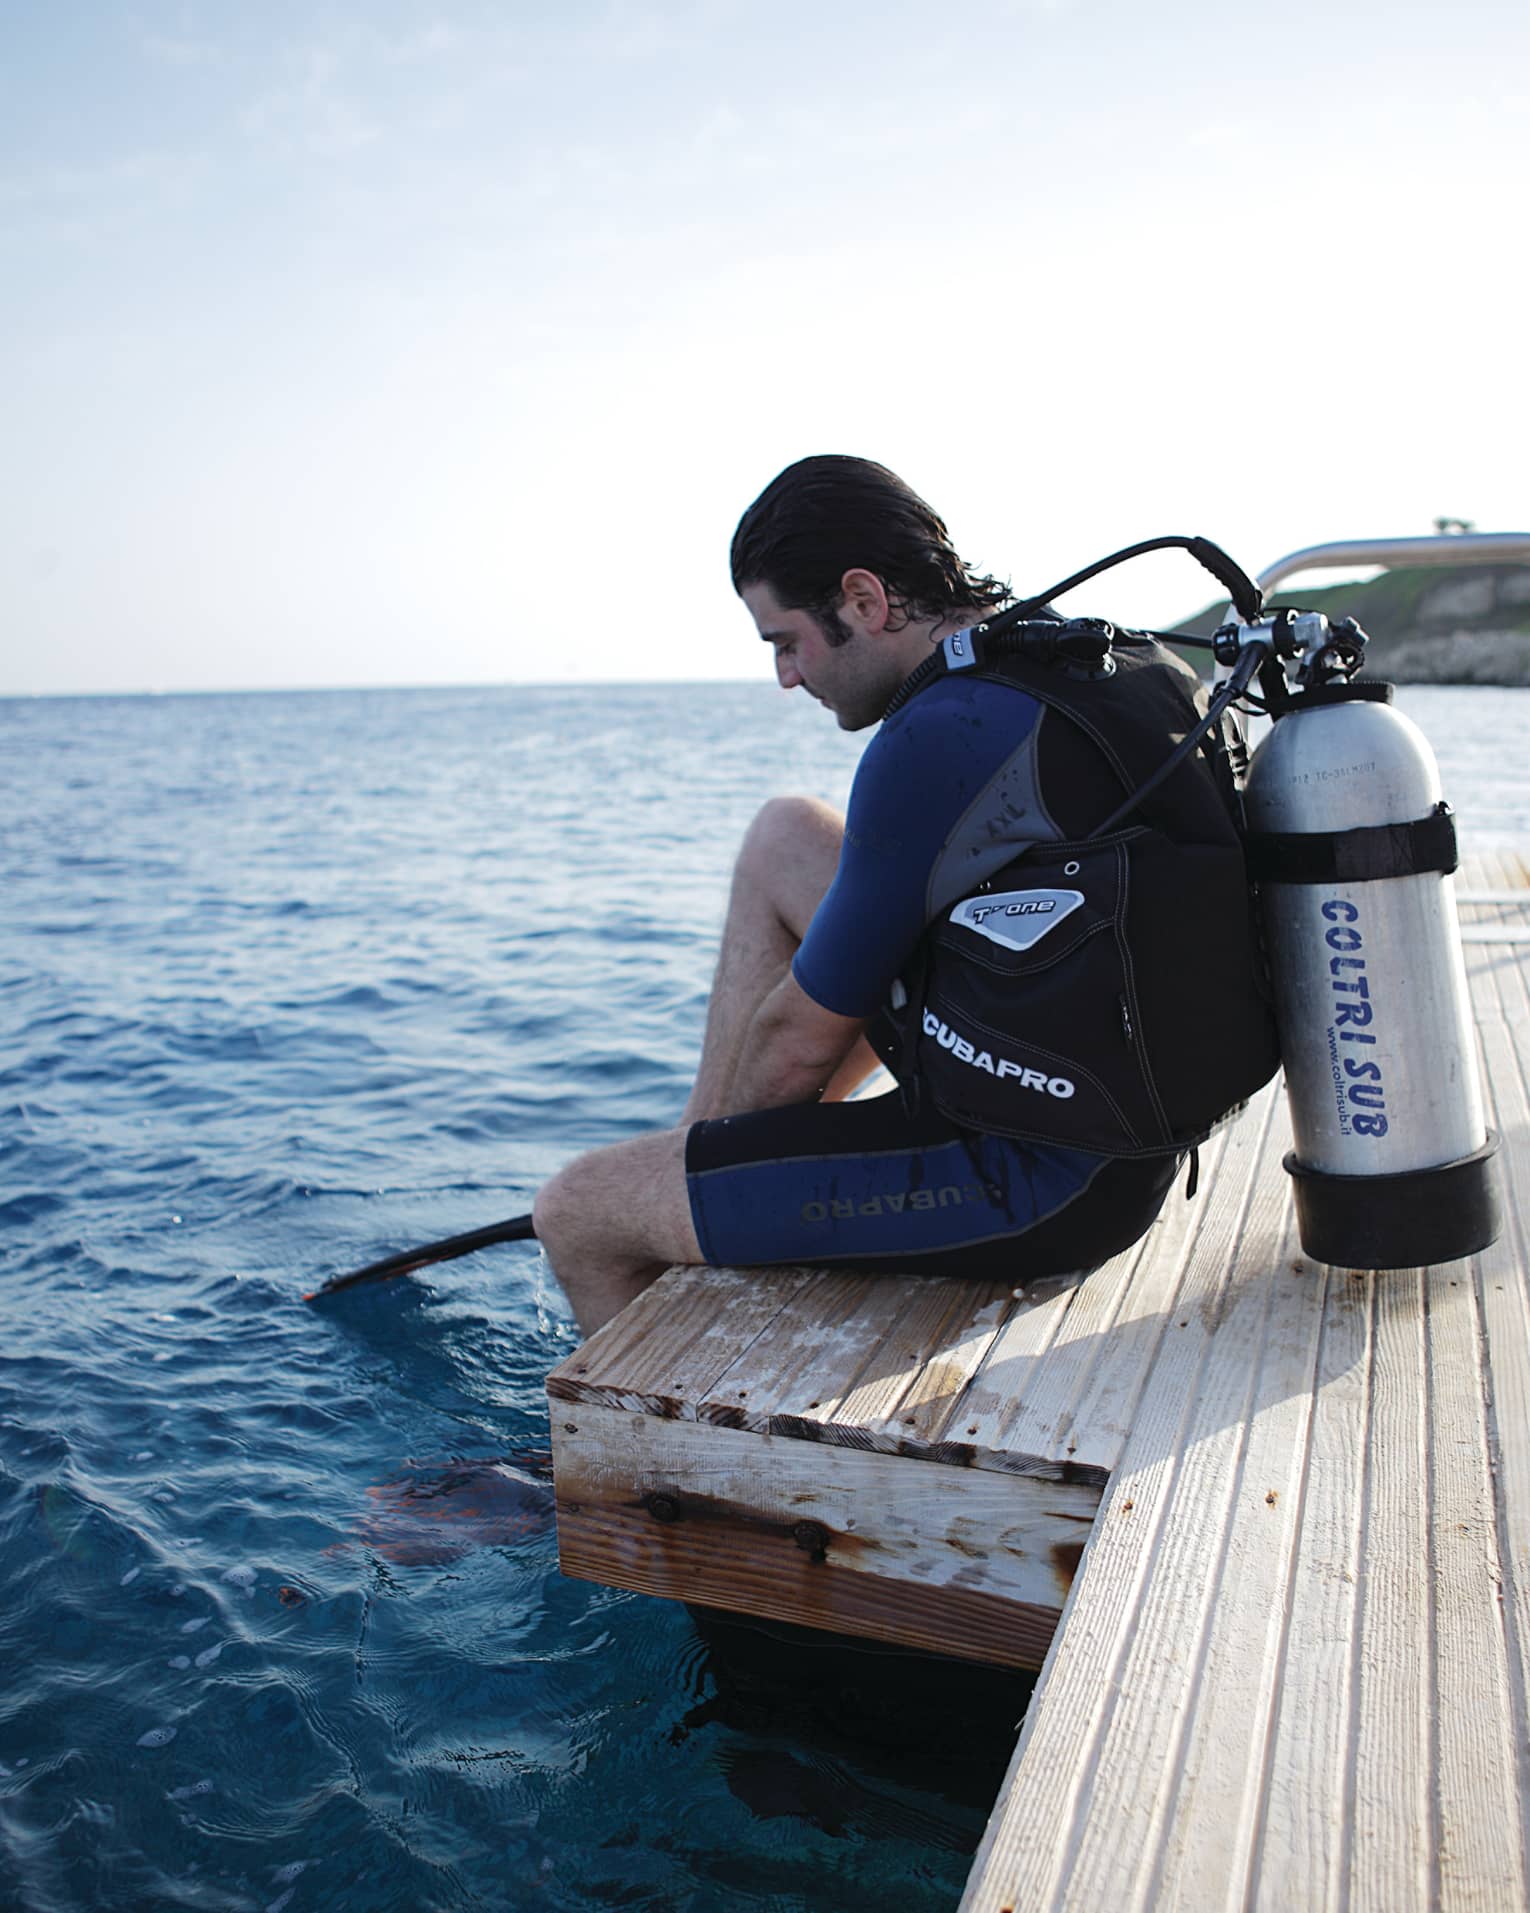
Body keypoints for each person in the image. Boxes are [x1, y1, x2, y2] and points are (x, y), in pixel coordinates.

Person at [533, 456, 1278, 1337]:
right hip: (1105, 1107)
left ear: (862, 600)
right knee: (786, 835)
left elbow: (796, 1050)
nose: (784, 674)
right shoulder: (1069, 661)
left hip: (1041, 1180)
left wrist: (684, 1187)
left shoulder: (941, 733)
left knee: (579, 1211)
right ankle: (699, 1168)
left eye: (785, 640)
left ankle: (588, 1462)